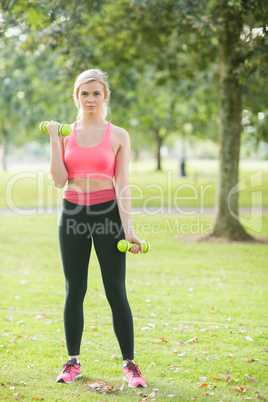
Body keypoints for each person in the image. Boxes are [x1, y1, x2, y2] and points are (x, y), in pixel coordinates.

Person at [46, 68, 147, 388]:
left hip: (108, 216)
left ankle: (130, 364)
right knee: (74, 290)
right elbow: (60, 180)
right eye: (84, 93)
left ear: (105, 96)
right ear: (76, 97)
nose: (90, 99)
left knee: (116, 291)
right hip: (73, 213)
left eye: (96, 93)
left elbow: (123, 184)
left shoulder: (118, 135)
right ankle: (72, 361)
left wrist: (128, 228)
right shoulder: (65, 133)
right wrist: (53, 138)